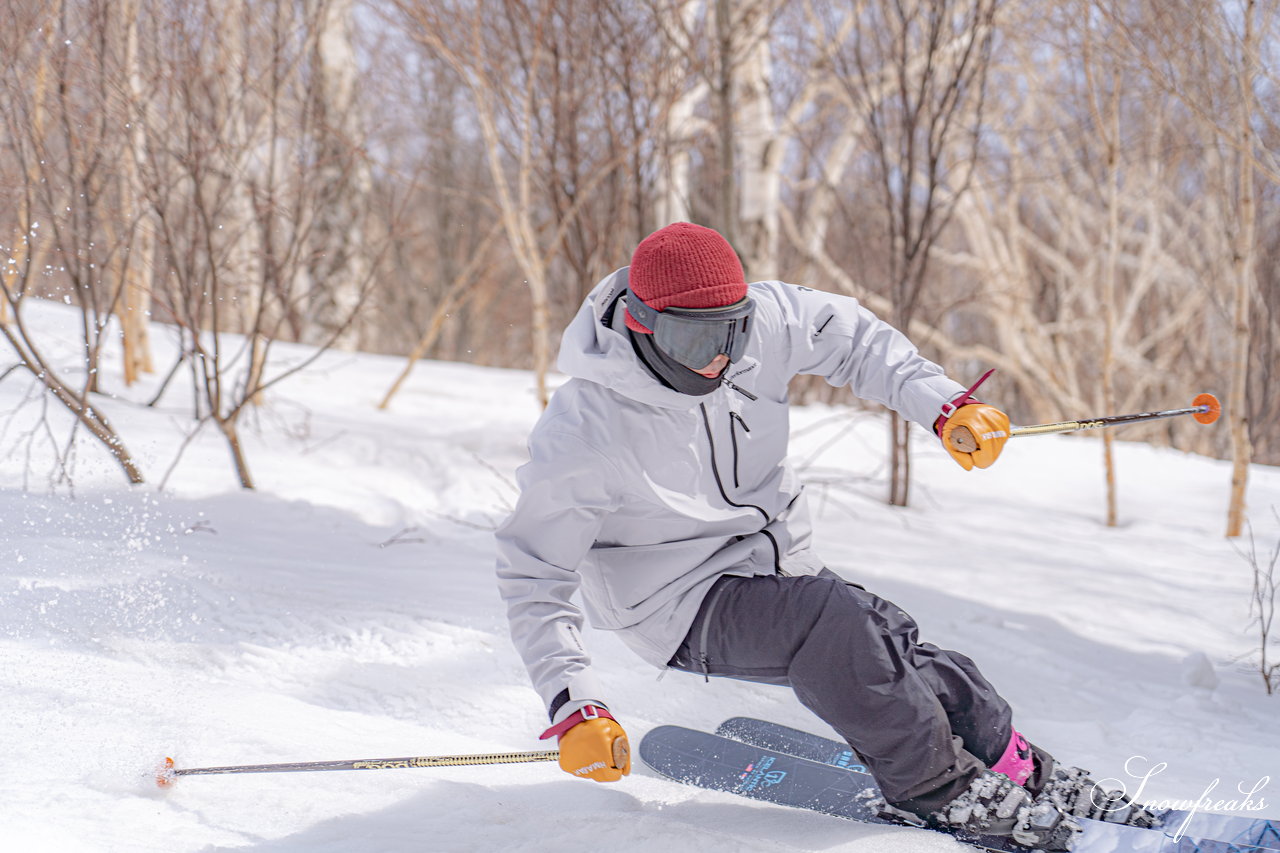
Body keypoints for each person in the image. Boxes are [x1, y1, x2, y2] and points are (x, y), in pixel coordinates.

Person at [495, 222, 1151, 850]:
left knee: (890, 639)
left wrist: (946, 404)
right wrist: (572, 702)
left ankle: (1022, 768)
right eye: (697, 341)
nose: (722, 356)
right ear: (643, 323)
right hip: (673, 602)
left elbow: (858, 340)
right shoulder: (587, 429)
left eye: (735, 331)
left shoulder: (766, 323)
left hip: (775, 562)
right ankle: (939, 788)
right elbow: (534, 572)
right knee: (832, 624)